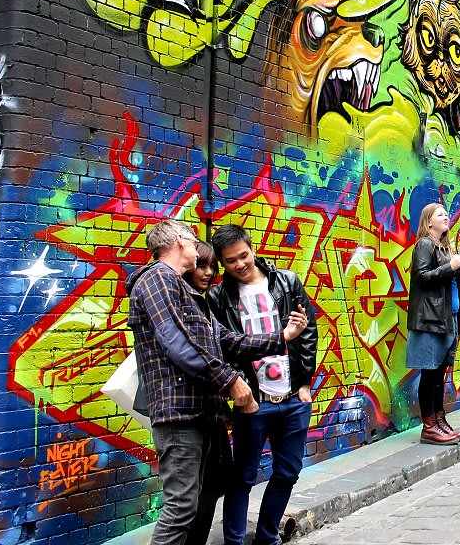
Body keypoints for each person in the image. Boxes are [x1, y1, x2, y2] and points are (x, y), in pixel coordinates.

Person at [127, 220, 308, 545]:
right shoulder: (157, 279)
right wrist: (233, 384)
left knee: (207, 495)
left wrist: (281, 338)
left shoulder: (184, 289)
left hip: (203, 415)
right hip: (179, 415)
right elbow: (177, 343)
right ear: (181, 242)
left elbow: (226, 340)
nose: (199, 249)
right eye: (194, 242)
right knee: (181, 506)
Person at [208, 225, 318, 545]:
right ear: (222, 263)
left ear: (251, 248)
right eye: (231, 261)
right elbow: (222, 348)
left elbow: (307, 331)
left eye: (244, 255)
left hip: (292, 398)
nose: (240, 264)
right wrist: (240, 391)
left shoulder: (287, 282)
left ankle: (267, 538)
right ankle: (234, 542)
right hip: (254, 401)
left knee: (287, 472)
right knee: (242, 477)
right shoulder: (218, 297)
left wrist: (304, 383)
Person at [181, 242, 229, 545]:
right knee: (189, 494)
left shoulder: (204, 302)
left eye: (213, 267)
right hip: (190, 411)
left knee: (213, 483)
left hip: (211, 410)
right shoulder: (183, 302)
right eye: (202, 265)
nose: (209, 272)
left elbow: (227, 341)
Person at [407, 202, 460, 445]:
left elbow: (445, 283)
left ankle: (439, 420)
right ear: (429, 221)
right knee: (430, 375)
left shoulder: (444, 248)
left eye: (446, 214)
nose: (446, 217)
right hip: (429, 321)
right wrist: (449, 267)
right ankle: (429, 426)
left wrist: (459, 272)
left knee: (440, 374)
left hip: (445, 321)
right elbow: (421, 277)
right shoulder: (425, 245)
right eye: (440, 214)